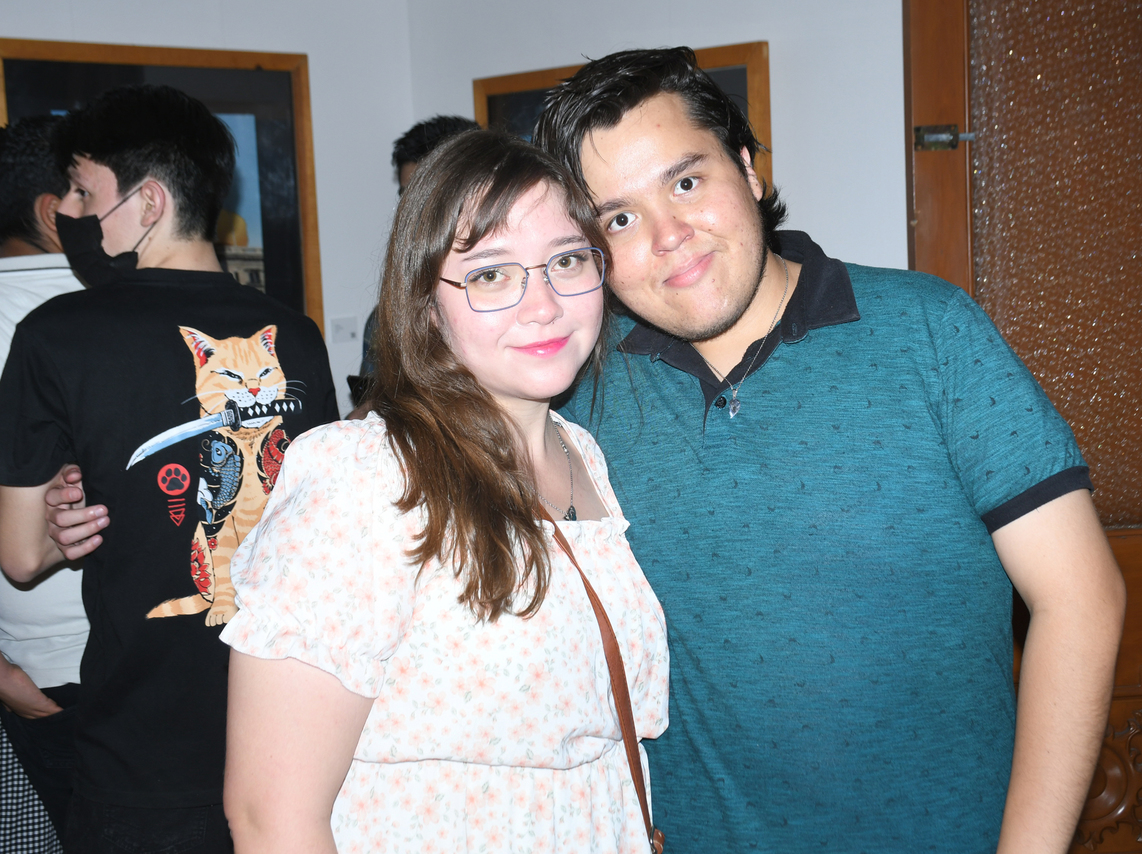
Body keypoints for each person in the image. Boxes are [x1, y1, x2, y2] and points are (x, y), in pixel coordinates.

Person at [534, 47, 1126, 853]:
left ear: (747, 168)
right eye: (620, 219)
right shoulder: (577, 396)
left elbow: (1081, 598)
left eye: (686, 182)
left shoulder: (931, 334)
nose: (669, 236)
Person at [220, 130, 668, 853]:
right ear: (427, 304)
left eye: (566, 260)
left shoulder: (581, 452)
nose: (544, 305)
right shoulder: (364, 477)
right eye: (490, 274)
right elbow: (271, 817)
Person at [0, 84, 337, 854]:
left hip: (141, 751)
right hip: (293, 727)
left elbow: (19, 557)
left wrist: (60, 522)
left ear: (148, 202)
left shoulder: (56, 335)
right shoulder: (292, 332)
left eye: (85, 193)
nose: (69, 213)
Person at [0, 115, 87, 851]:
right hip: (68, 664)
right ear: (53, 213)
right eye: (90, 195)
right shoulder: (100, 316)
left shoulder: (117, 309)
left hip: (43, 664)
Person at [348, 115, 480, 412]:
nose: (415, 211)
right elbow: (371, 406)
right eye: (407, 196)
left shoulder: (533, 303)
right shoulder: (386, 319)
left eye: (430, 195)